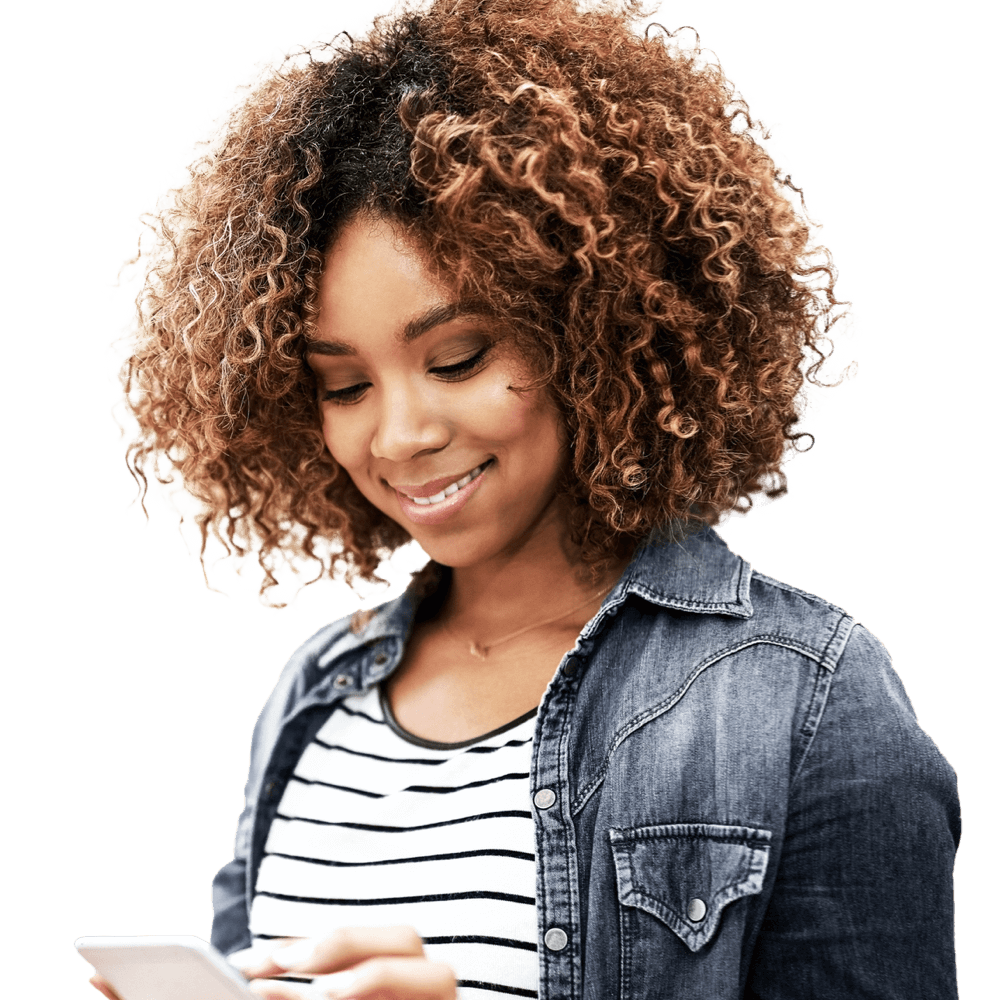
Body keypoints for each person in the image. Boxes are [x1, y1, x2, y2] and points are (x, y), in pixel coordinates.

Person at [91, 2, 960, 997]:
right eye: (342, 383)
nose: (399, 433)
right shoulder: (312, 692)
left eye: (457, 357)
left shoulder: (803, 702)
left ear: (597, 328)